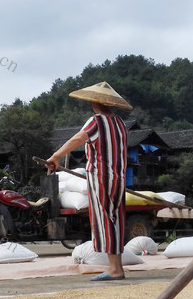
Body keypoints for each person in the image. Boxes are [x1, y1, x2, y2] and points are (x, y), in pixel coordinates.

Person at [45, 83, 131, 281]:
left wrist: (56, 156)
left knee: (104, 219)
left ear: (94, 103)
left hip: (101, 177)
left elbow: (78, 138)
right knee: (115, 219)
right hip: (119, 178)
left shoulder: (96, 122)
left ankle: (115, 269)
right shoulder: (119, 123)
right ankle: (116, 267)